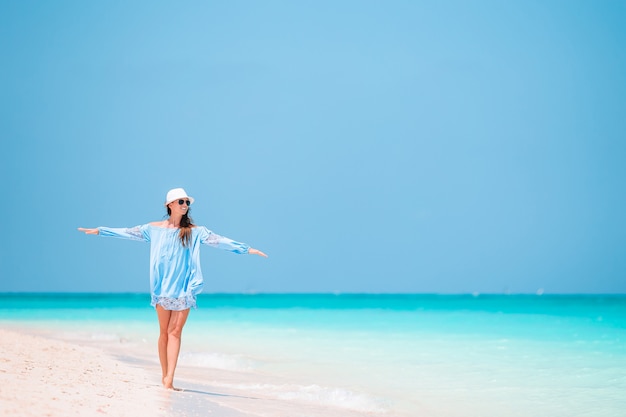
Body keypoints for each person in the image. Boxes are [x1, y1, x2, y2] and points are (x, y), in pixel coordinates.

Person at [78, 187, 267, 390]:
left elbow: (219, 241)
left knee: (175, 332)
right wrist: (101, 231)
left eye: (187, 203)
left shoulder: (194, 231)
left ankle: (170, 379)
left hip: (184, 288)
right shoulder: (153, 229)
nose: (185, 205)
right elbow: (127, 233)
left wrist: (247, 249)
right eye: (181, 202)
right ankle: (164, 375)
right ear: (169, 205)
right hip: (161, 288)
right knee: (164, 333)